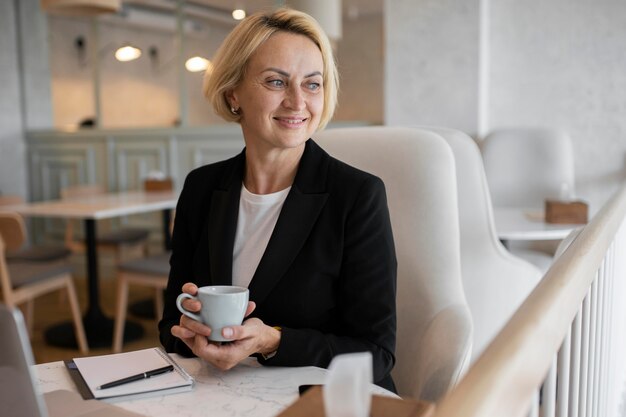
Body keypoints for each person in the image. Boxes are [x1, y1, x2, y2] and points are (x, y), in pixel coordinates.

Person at [158, 7, 398, 391]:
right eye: (276, 82)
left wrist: (275, 341)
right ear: (233, 92)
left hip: (322, 402)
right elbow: (169, 326)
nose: (297, 102)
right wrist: (189, 333)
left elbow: (376, 353)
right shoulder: (202, 188)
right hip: (224, 395)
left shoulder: (358, 196)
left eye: (312, 84)